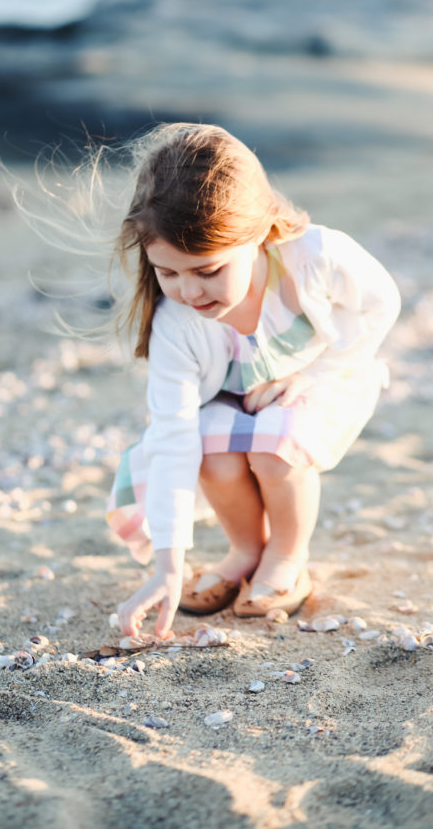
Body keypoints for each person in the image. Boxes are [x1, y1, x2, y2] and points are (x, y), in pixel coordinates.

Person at [102, 122, 401, 640]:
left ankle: (287, 555)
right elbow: (174, 436)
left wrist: (311, 374)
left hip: (320, 383)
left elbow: (381, 304)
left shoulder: (315, 257)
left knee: (273, 448)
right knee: (210, 452)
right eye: (168, 274)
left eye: (208, 270)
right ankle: (246, 550)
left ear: (258, 232)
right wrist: (168, 566)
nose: (189, 292)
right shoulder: (175, 325)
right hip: (233, 401)